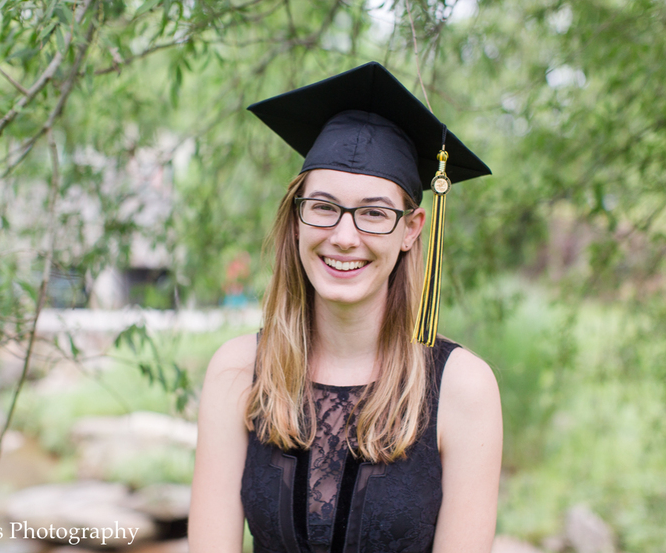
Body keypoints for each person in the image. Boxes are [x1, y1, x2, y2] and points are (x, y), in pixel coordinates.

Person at [188, 62, 502, 552]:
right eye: (324, 207)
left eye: (374, 213)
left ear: (411, 229)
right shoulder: (238, 371)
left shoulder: (462, 388)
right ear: (297, 219)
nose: (344, 237)